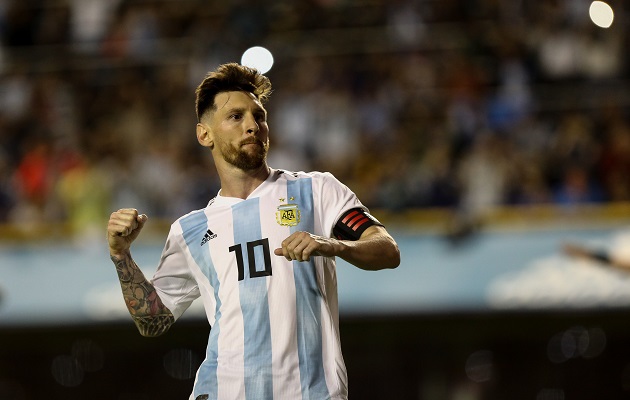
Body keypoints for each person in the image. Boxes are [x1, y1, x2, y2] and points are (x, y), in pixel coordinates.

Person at [106, 62, 400, 400]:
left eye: (258, 116)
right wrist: (120, 254)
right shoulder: (190, 230)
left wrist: (333, 246)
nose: (252, 126)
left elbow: (386, 249)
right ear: (205, 135)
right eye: (236, 117)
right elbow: (152, 321)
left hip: (310, 393)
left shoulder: (317, 191)